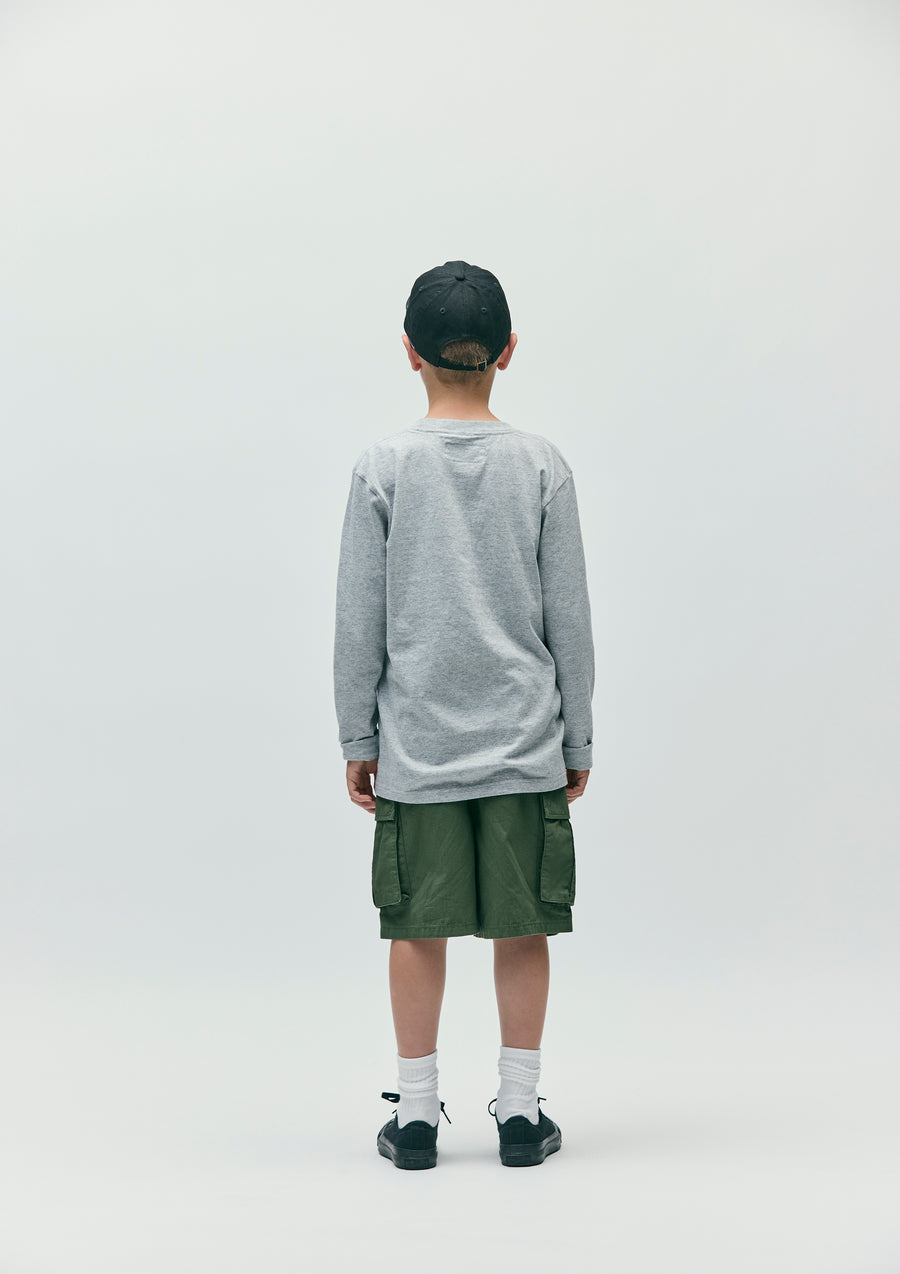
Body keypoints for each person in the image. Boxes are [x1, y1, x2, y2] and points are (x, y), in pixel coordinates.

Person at [332, 260, 594, 1170]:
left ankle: (415, 1119)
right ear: (508, 351)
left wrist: (358, 736)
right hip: (524, 744)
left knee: (417, 931)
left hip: (418, 747)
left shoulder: (383, 467)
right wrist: (577, 734)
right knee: (523, 930)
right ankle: (519, 1115)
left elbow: (358, 620)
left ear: (409, 351)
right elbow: (570, 619)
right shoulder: (542, 465)